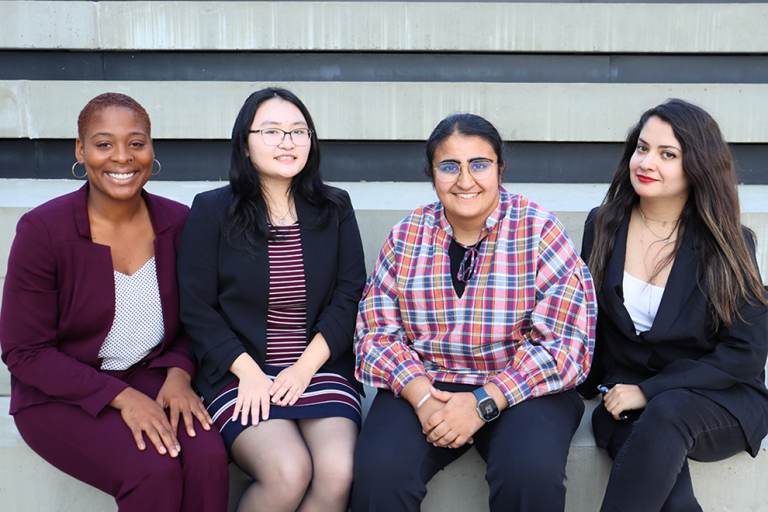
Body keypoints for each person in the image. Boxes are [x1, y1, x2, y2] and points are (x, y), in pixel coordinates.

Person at [352, 113, 597, 512]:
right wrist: (423, 401)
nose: (465, 181)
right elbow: (375, 335)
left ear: (500, 169)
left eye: (479, 164)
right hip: (427, 382)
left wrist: (484, 402)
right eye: (449, 166)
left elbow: (566, 345)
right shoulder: (407, 235)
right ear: (432, 174)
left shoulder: (539, 230)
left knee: (529, 473)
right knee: (379, 474)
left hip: (521, 387)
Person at [0, 93, 229, 512]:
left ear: (151, 149)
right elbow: (24, 352)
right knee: (153, 471)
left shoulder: (179, 224)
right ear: (80, 150)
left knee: (209, 460)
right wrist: (122, 398)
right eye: (104, 143)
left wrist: (179, 374)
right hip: (60, 394)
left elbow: (196, 317)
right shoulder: (42, 231)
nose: (122, 157)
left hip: (151, 373)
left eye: (136, 143)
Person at [177, 87, 366, 512]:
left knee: (339, 472)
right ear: (245, 144)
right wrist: (249, 373)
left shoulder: (335, 207)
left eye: (299, 131)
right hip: (242, 372)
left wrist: (302, 370)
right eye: (272, 131)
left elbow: (349, 294)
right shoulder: (212, 210)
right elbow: (196, 307)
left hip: (317, 366)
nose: (288, 141)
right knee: (287, 470)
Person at [577, 98, 768, 512]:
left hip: (717, 395)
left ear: (697, 166)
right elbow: (589, 321)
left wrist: (649, 391)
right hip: (627, 395)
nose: (646, 162)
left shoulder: (729, 243)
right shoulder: (604, 225)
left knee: (667, 409)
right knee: (675, 503)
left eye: (668, 154)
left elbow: (746, 353)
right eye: (642, 148)